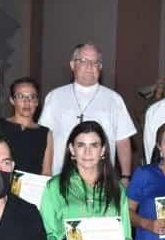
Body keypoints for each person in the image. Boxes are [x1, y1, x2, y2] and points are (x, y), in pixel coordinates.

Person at [39, 43, 136, 183]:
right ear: (72, 65)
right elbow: (46, 138)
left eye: (95, 62)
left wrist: (125, 176)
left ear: (100, 67)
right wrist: (46, 173)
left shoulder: (113, 99)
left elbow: (123, 140)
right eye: (83, 61)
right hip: (60, 178)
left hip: (102, 180)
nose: (90, 66)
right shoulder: (55, 96)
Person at [0, 77, 53, 175]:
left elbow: (46, 172)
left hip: (32, 189)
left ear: (37, 102)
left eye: (32, 97)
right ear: (12, 100)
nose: (27, 102)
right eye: (20, 96)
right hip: (1, 187)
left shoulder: (45, 133)